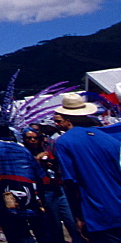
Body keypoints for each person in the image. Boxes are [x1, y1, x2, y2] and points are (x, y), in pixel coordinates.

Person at [51, 93, 121, 243]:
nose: (56, 123)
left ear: (67, 119)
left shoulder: (64, 142)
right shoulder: (109, 138)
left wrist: (77, 217)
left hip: (98, 212)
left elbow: (70, 183)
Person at [0, 124, 45, 243]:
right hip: (28, 190)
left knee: (16, 229)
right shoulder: (22, 149)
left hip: (7, 192)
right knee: (36, 225)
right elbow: (38, 172)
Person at [23, 128, 78, 243]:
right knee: (54, 223)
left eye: (35, 138)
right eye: (29, 138)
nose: (33, 140)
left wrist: (52, 165)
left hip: (58, 187)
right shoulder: (25, 153)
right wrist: (37, 160)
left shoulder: (48, 149)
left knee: (71, 220)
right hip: (44, 191)